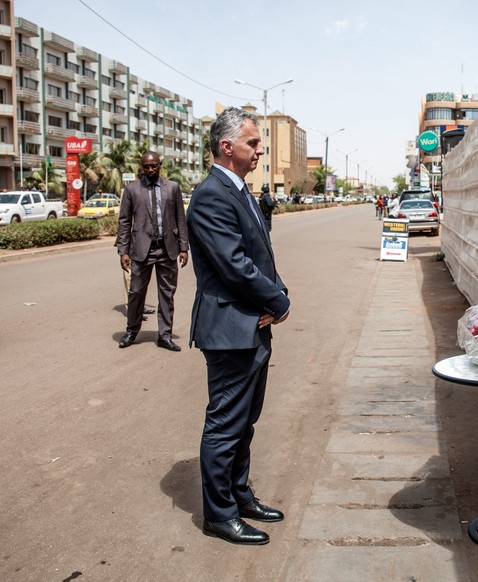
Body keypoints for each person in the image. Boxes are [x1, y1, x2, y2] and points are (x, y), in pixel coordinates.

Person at [186, 107, 291, 546]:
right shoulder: (211, 194)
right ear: (227, 147)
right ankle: (220, 513)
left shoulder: (240, 190)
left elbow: (260, 252)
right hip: (230, 326)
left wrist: (278, 295)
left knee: (245, 422)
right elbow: (234, 266)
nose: (259, 150)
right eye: (253, 143)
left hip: (252, 323)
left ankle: (240, 494)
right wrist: (278, 300)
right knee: (226, 424)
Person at [116, 152, 188, 351]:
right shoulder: (132, 189)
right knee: (136, 292)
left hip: (167, 249)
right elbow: (124, 222)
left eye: (153, 166)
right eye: (146, 167)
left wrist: (184, 247)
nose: (150, 170)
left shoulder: (172, 188)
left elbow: (180, 219)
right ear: (141, 167)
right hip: (141, 250)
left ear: (160, 165)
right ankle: (132, 330)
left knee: (167, 294)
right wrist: (123, 251)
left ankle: (164, 335)